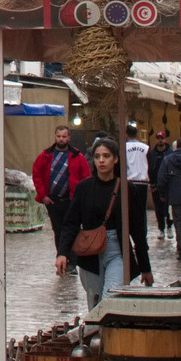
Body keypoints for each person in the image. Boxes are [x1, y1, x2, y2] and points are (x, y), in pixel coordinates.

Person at [53, 139, 132, 307]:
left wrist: (145, 268)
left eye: (106, 156)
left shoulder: (126, 188)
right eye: (97, 157)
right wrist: (62, 253)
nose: (101, 160)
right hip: (90, 252)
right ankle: (98, 333)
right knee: (95, 304)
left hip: (116, 250)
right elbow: (71, 223)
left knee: (111, 299)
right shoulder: (84, 188)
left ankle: (107, 331)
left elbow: (139, 229)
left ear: (115, 159)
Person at [31, 127, 89, 264]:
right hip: (53, 200)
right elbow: (37, 174)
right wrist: (43, 195)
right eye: (58, 136)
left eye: (64, 136)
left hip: (71, 200)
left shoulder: (77, 156)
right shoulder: (45, 155)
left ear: (69, 138)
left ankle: (73, 262)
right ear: (55, 137)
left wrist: (80, 198)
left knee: (72, 230)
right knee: (58, 230)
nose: (61, 139)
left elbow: (85, 177)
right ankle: (63, 258)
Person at [120, 126, 155, 283]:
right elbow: (152, 166)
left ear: (126, 134)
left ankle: (135, 239)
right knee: (140, 215)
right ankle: (142, 239)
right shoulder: (146, 148)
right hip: (142, 183)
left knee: (129, 213)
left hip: (128, 182)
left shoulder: (123, 148)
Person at [147, 131, 172, 234]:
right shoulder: (151, 153)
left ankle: (169, 227)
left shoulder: (170, 153)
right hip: (155, 185)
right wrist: (151, 183)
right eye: (158, 138)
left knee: (168, 208)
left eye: (162, 138)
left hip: (168, 185)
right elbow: (149, 168)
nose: (160, 140)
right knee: (158, 209)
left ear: (165, 139)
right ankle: (161, 228)